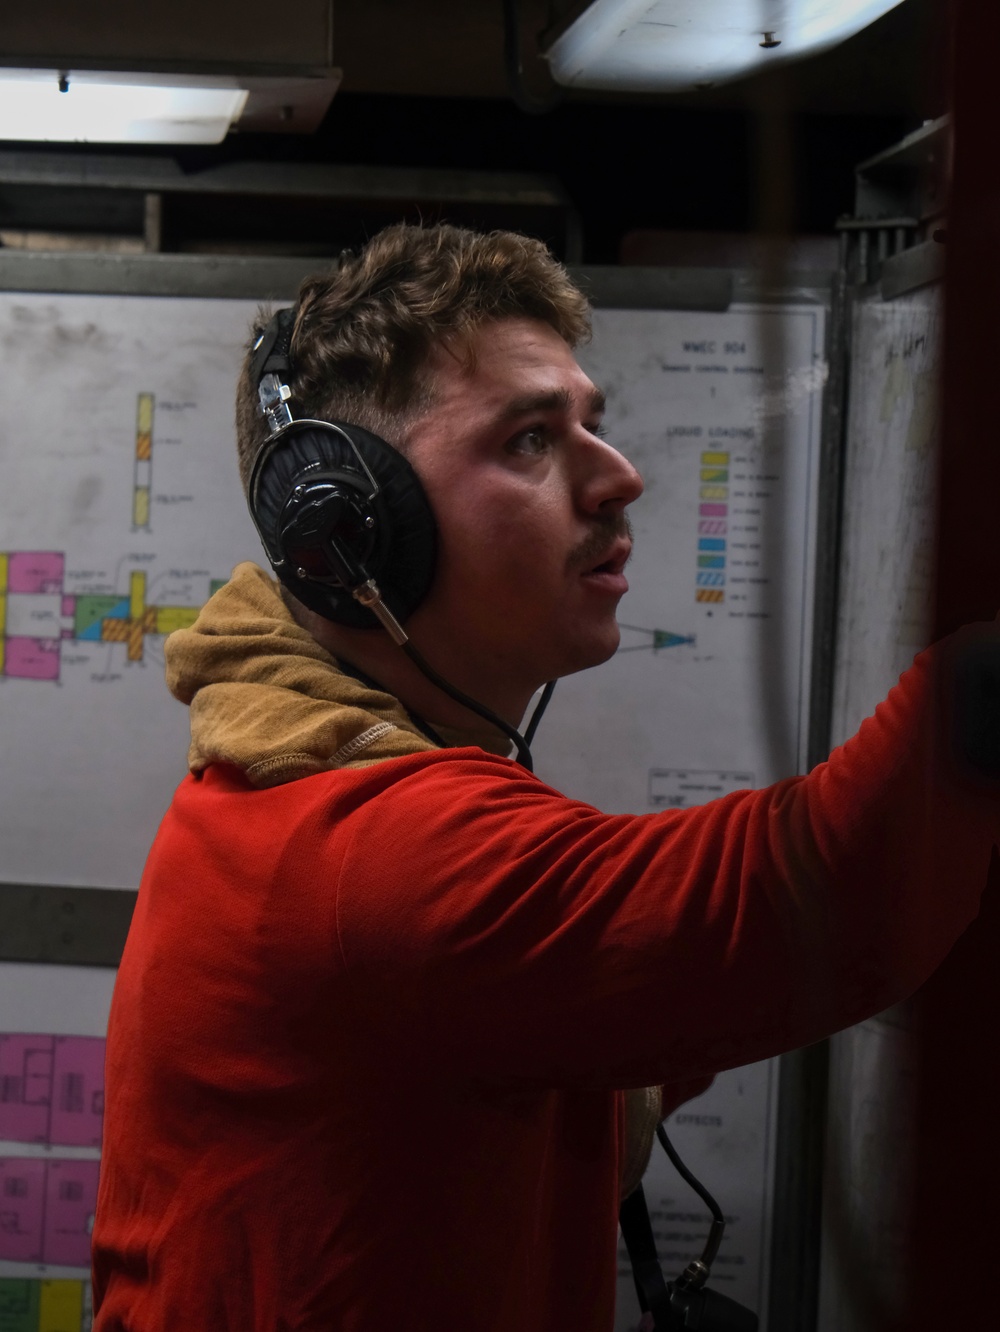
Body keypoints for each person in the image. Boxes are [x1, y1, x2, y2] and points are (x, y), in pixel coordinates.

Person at [92, 223, 999, 1331]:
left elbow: (594, 986)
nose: (619, 478)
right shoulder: (372, 854)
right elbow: (819, 888)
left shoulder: (287, 781)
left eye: (590, 425)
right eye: (528, 439)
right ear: (349, 533)